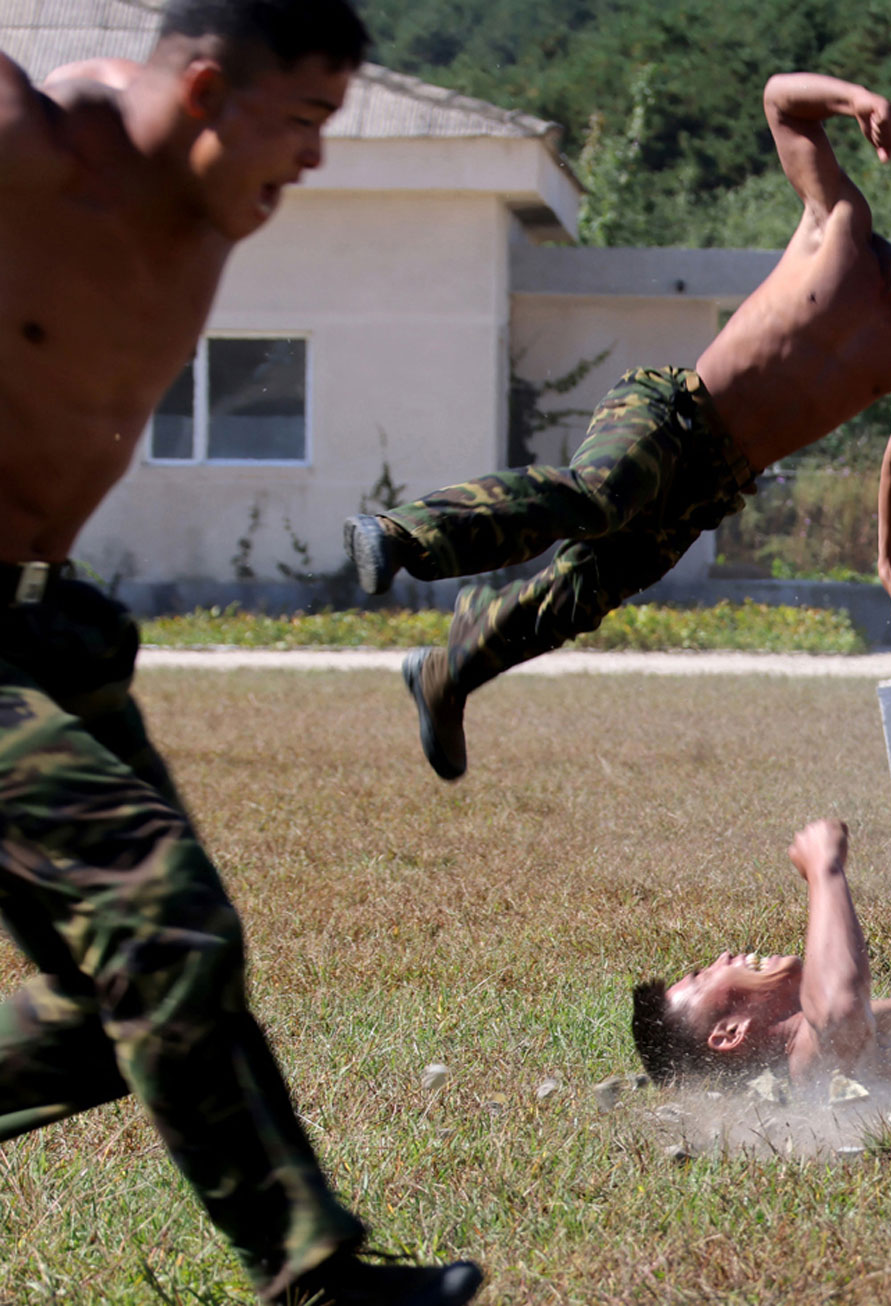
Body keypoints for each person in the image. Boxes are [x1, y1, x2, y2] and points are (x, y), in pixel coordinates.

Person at [0, 3, 482, 1302]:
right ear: (207, 91)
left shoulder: (210, 207)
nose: (316, 162)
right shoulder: (32, 148)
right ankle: (318, 1279)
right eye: (306, 122)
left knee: (114, 1008)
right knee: (161, 912)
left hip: (40, 617)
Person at [344, 74, 891, 781]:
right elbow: (780, 101)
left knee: (580, 597)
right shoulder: (841, 228)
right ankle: (403, 535)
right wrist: (856, 101)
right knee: (600, 494)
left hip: (713, 484)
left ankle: (447, 675)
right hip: (674, 413)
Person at [631, 820, 891, 1087]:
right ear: (730, 1032)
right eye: (703, 976)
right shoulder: (808, 1060)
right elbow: (838, 1005)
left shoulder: (816, 1031)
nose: (722, 956)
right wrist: (823, 869)